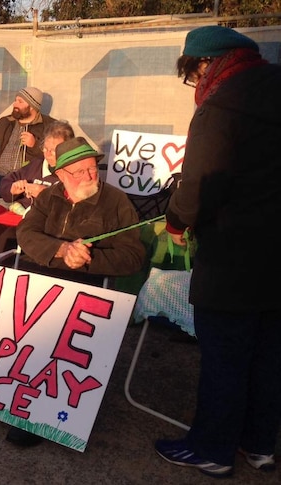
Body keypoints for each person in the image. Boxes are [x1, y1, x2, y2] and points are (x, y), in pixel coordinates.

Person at [0, 137, 145, 448]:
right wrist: (60, 248)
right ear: (61, 175)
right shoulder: (50, 196)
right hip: (34, 276)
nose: (89, 177)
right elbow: (27, 233)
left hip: (80, 287)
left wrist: (90, 259)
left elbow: (134, 256)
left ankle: (37, 411)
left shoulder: (115, 202)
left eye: (92, 170)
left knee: (47, 330)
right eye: (79, 172)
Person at [153, 26, 281, 478]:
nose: (196, 82)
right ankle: (260, 445)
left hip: (232, 256)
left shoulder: (220, 105)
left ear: (207, 64)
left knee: (226, 355)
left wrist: (176, 222)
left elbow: (201, 183)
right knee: (268, 357)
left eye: (194, 72)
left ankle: (212, 448)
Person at [0, 120, 74, 262]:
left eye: (53, 150)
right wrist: (13, 189)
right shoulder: (37, 164)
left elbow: (74, 204)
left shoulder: (72, 171)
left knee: (7, 238)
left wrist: (45, 193)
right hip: (18, 215)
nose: (48, 154)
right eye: (45, 149)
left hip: (43, 223)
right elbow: (7, 181)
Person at [0, 87, 56, 201]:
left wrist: (35, 144)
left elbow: (55, 153)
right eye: (15, 100)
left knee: (10, 202)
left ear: (32, 106)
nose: (15, 104)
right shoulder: (6, 122)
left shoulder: (49, 126)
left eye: (20, 101)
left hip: (24, 177)